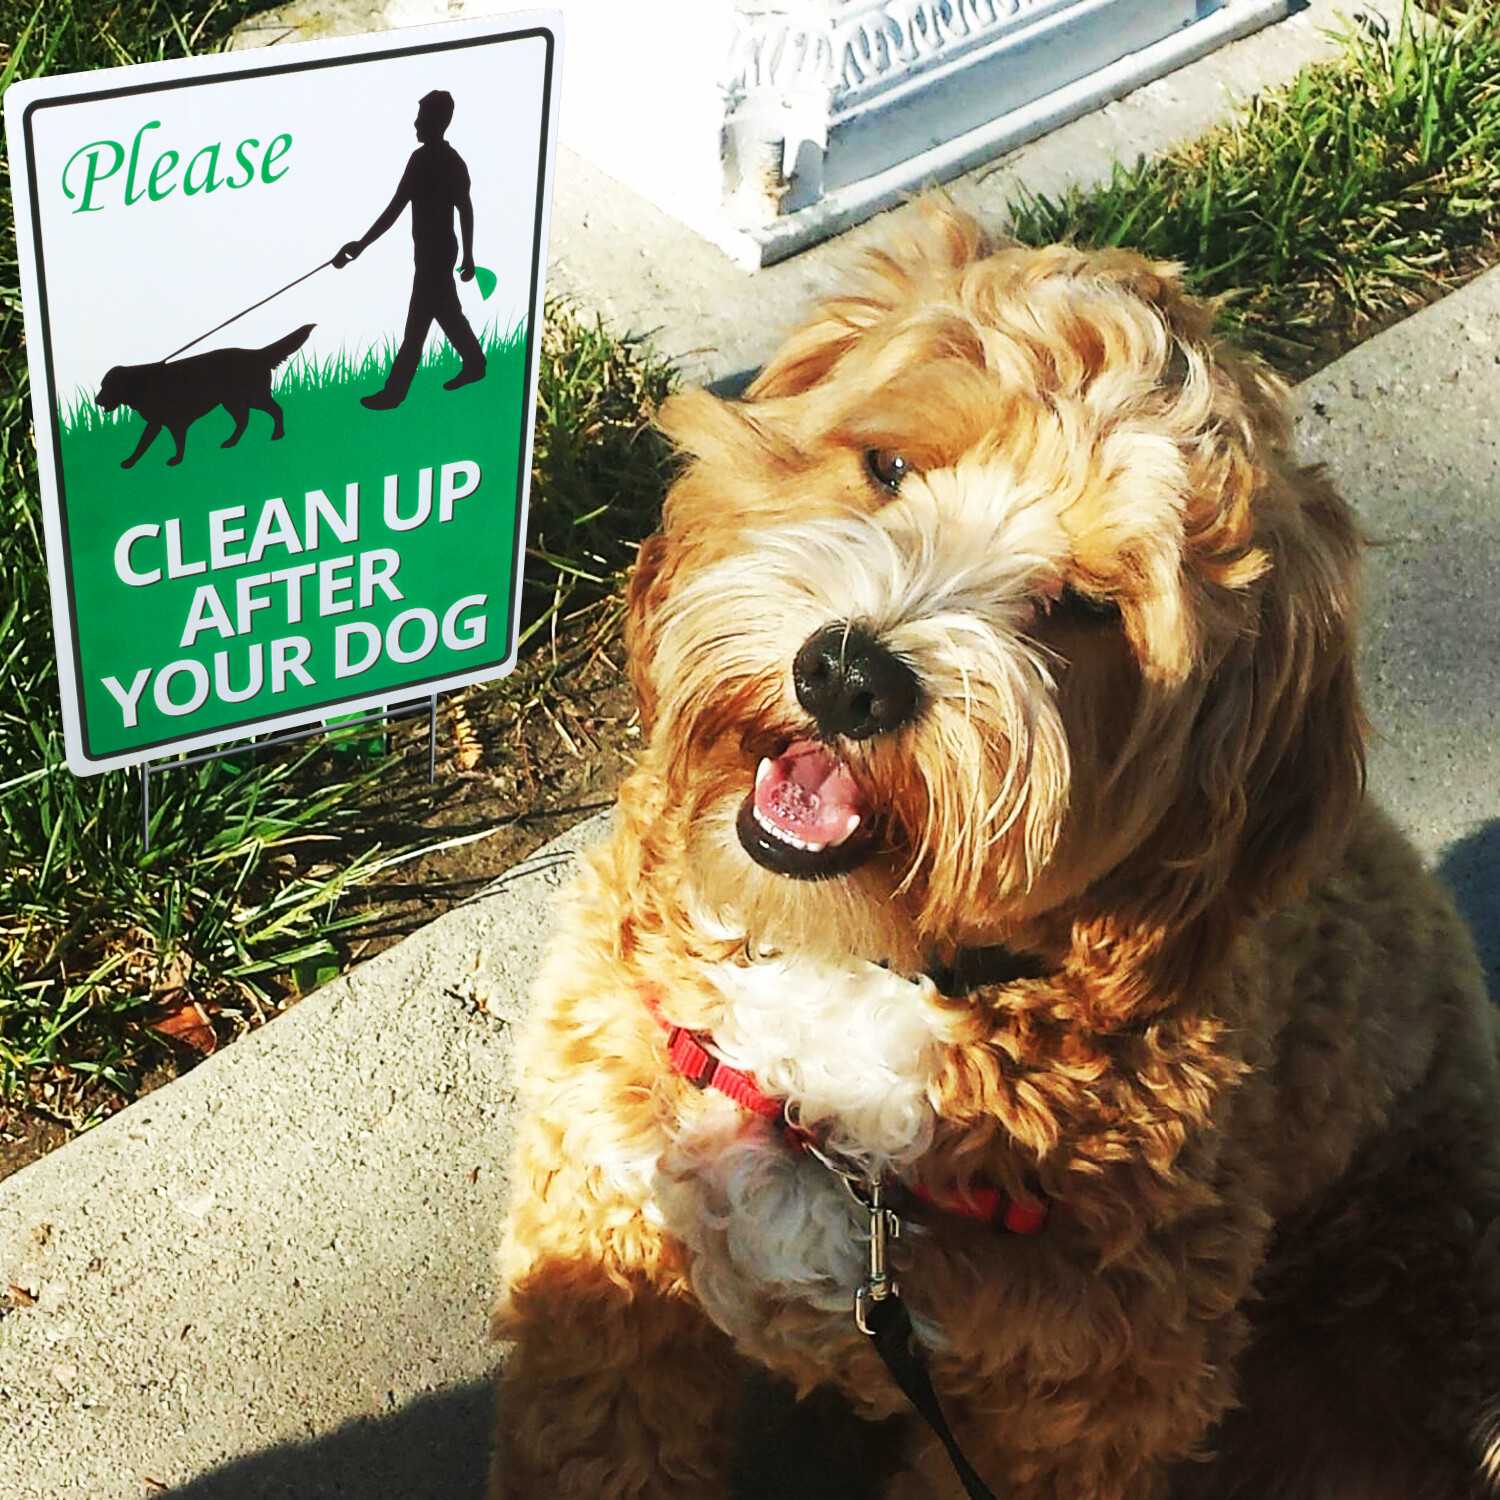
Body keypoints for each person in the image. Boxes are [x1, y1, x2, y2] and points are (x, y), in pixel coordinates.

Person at [334, 89, 486, 409]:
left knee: (416, 325)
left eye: (421, 117)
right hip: (436, 252)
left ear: (437, 121)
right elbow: (401, 208)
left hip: (436, 255)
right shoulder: (437, 159)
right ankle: (475, 363)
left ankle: (395, 392)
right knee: (447, 313)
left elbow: (460, 208)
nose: (415, 123)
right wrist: (360, 246)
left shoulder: (433, 160)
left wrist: (470, 257)